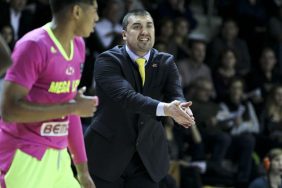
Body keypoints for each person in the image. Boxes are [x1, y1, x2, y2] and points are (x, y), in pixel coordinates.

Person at [85, 9, 195, 188]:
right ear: (124, 35)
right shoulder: (107, 60)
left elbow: (175, 94)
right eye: (137, 27)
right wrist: (167, 109)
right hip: (107, 154)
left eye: (149, 26)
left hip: (148, 158)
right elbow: (126, 97)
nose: (145, 31)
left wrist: (182, 108)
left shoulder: (165, 62)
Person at [0, 0, 99, 188]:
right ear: (76, 11)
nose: (97, 18)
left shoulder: (78, 45)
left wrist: (83, 171)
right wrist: (72, 106)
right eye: (94, 10)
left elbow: (71, 113)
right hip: (25, 153)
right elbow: (9, 110)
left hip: (59, 157)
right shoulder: (33, 45)